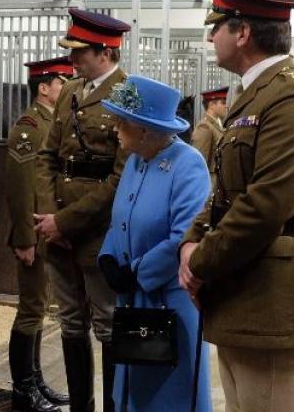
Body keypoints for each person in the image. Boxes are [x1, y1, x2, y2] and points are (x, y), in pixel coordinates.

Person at [179, 0, 294, 412]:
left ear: (243, 32)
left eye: (217, 27)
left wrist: (200, 263)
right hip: (244, 286)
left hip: (271, 292)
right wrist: (190, 241)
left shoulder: (292, 101)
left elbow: (265, 205)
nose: (211, 38)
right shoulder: (254, 95)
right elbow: (225, 189)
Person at [34, 8, 131, 412]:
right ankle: (80, 407)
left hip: (98, 229)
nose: (72, 61)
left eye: (80, 53)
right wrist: (46, 217)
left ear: (106, 52)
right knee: (71, 322)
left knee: (106, 324)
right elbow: (46, 157)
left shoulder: (128, 94)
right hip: (56, 227)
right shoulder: (72, 92)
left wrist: (66, 221)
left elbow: (121, 177)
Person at [97, 75, 212, 412]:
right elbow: (121, 218)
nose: (115, 128)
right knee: (132, 392)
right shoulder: (135, 160)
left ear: (144, 129)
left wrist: (137, 272)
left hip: (168, 302)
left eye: (122, 122)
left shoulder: (188, 163)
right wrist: (107, 256)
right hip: (133, 300)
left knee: (169, 395)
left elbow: (184, 235)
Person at [6, 56, 74, 412]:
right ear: (44, 87)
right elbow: (20, 190)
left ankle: (36, 382)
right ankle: (22, 389)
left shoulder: (53, 122)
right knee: (30, 310)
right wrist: (24, 239)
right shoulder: (29, 126)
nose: (66, 87)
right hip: (32, 234)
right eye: (62, 82)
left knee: (38, 308)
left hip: (45, 233)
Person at [191, 86, 228, 191]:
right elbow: (198, 162)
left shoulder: (216, 125)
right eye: (223, 103)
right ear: (211, 105)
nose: (226, 106)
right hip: (209, 186)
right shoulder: (205, 127)